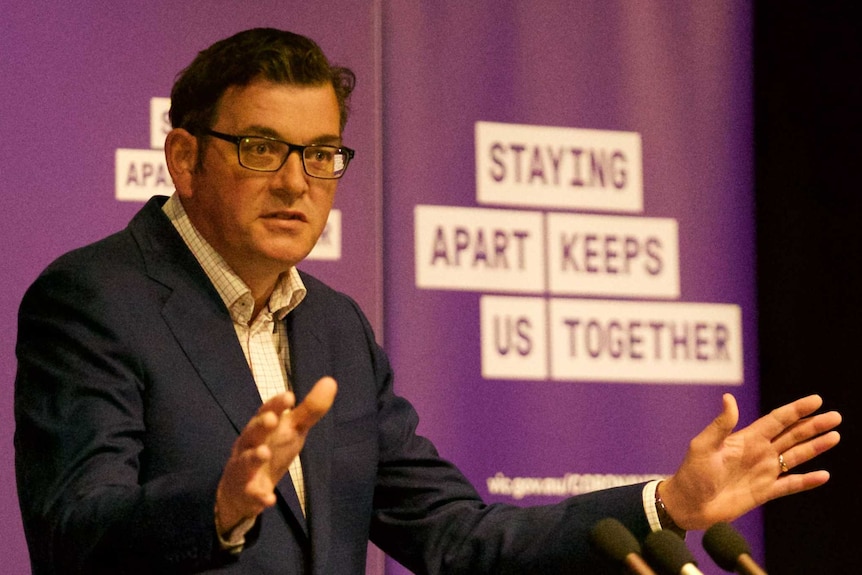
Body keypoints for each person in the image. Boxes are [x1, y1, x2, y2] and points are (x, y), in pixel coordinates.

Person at [13, 27, 841, 575]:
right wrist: (219, 508)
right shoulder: (94, 299)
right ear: (185, 158)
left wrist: (665, 502)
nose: (298, 181)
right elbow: (72, 533)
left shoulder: (333, 325)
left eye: (322, 153)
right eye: (263, 148)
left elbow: (456, 537)